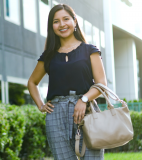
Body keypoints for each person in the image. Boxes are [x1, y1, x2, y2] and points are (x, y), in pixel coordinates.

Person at [27, 4, 106, 160]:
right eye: (56, 21)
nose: (62, 24)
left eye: (66, 19)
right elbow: (32, 82)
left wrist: (84, 99)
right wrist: (41, 105)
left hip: (87, 111)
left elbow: (101, 84)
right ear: (52, 27)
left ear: (74, 21)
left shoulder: (90, 50)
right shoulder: (48, 56)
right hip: (55, 115)